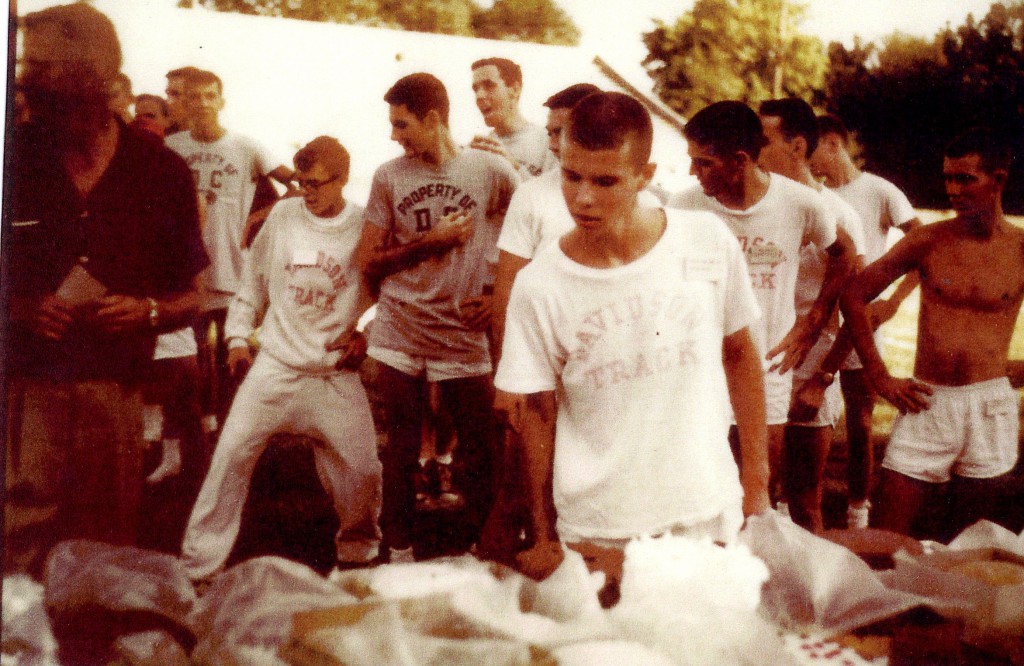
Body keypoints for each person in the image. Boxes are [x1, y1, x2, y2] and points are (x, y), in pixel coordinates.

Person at [496, 92, 770, 581]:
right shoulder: (539, 285)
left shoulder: (706, 238)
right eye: (572, 175)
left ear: (645, 176)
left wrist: (757, 477)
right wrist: (542, 534)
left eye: (606, 180)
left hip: (705, 509)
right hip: (599, 525)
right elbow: (536, 414)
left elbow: (739, 354)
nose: (583, 197)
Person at [5, 3, 207, 577]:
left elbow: (191, 295)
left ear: (94, 82)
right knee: (18, 549)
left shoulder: (161, 172)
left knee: (104, 559)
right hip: (27, 393)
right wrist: (18, 309)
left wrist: (147, 311)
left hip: (114, 398)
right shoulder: (14, 156)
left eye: (41, 71)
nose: (25, 85)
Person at [181, 136, 382, 581]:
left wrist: (368, 334)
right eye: (302, 182)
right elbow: (252, 282)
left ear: (343, 180)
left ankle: (357, 553)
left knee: (363, 470)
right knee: (230, 455)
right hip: (276, 366)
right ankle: (199, 565)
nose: (306, 192)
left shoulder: (365, 225)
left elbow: (390, 293)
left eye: (316, 184)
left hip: (332, 371)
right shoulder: (286, 216)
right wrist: (236, 338)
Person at [352, 72, 518, 562]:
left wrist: (496, 295)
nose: (394, 136)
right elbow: (368, 262)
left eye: (402, 125)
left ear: (433, 118)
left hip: (463, 331)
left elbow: (533, 237)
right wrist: (431, 242)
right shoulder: (389, 175)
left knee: (479, 448)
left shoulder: (491, 171)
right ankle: (398, 550)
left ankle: (477, 550)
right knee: (400, 447)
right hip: (400, 324)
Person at [669, 101, 855, 509]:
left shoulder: (801, 204)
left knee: (758, 488)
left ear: (738, 160)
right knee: (697, 484)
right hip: (699, 366)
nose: (692, 174)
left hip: (766, 366)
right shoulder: (682, 207)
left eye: (703, 163)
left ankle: (754, 567)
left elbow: (844, 253)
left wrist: (814, 320)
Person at [841, 127, 1024, 539]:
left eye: (965, 178)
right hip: (927, 402)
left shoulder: (1019, 247)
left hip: (988, 406)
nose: (953, 190)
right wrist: (880, 376)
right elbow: (853, 296)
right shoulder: (928, 241)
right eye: (947, 178)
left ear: (998, 179)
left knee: (973, 543)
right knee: (889, 536)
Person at [803, 113, 923, 528]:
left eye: (812, 147)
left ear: (833, 144)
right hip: (817, 318)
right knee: (803, 414)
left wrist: (891, 303)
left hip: (860, 321)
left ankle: (858, 510)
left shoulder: (880, 191)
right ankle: (797, 505)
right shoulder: (812, 194)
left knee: (860, 418)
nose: (807, 158)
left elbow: (923, 249)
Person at [757, 98, 866, 531]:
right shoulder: (756, 205)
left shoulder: (838, 214)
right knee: (754, 496)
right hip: (758, 370)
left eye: (763, 140)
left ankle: (813, 595)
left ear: (797, 146)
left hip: (810, 369)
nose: (753, 150)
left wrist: (823, 379)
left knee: (803, 501)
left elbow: (856, 309)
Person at [165, 68, 294, 434]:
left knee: (230, 361)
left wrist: (260, 217)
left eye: (210, 96)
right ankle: (185, 446)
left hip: (231, 270)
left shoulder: (247, 147)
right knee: (184, 365)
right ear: (184, 102)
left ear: (221, 100)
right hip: (185, 273)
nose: (202, 103)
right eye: (193, 96)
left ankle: (230, 436)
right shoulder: (173, 148)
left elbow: (297, 187)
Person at [470, 57, 552, 179]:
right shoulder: (481, 149)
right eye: (476, 89)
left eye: (489, 86)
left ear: (514, 89)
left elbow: (553, 196)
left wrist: (513, 166)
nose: (479, 95)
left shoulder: (547, 142)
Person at [164, 66, 201, 136]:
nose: (167, 102)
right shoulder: (158, 140)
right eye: (168, 94)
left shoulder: (220, 142)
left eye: (175, 94)